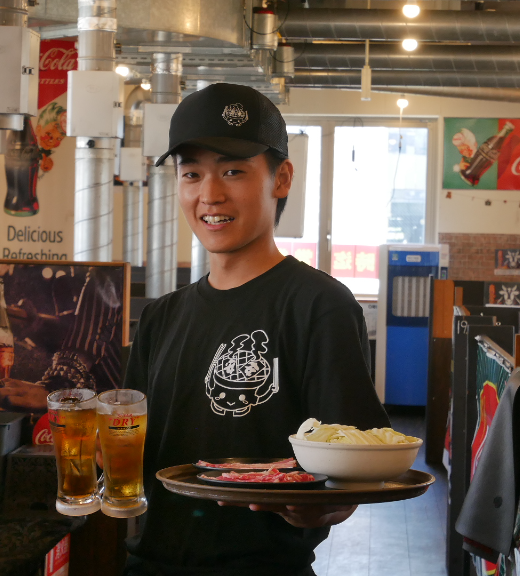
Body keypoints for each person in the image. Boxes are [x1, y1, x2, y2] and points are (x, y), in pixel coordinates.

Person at [123, 83, 390, 576]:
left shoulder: (319, 304)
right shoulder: (161, 316)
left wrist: (329, 504)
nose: (209, 194)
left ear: (281, 178)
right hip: (149, 566)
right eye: (192, 174)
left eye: (232, 171)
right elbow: (132, 450)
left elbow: (354, 459)